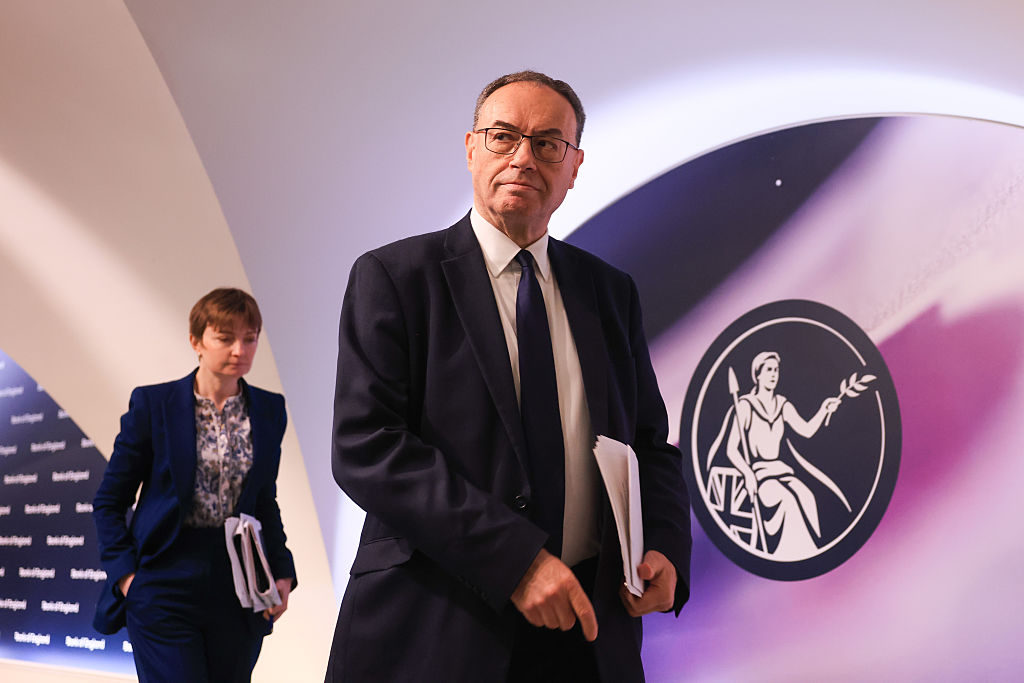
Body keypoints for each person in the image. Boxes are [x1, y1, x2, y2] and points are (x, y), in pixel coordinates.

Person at [326, 71, 691, 682]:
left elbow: (650, 446)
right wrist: (518, 563)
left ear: (573, 168)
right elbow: (368, 447)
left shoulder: (609, 293)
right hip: (437, 629)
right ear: (472, 148)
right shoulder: (394, 278)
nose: (524, 158)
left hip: (589, 636)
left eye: (548, 144)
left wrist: (664, 551)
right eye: (504, 137)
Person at [92, 287, 297, 683]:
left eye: (250, 338)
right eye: (226, 337)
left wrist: (282, 570)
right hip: (164, 577)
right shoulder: (154, 405)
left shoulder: (270, 409)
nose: (240, 349)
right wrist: (128, 578)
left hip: (239, 583)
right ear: (196, 341)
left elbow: (264, 500)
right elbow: (109, 501)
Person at [723, 351, 842, 559]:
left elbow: (805, 431)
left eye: (776, 370)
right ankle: (794, 554)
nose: (773, 374)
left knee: (807, 496)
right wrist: (747, 474)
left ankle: (812, 553)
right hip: (761, 476)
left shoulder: (782, 404)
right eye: (768, 370)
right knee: (788, 500)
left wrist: (824, 410)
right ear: (757, 375)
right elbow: (731, 449)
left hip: (782, 471)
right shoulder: (746, 406)